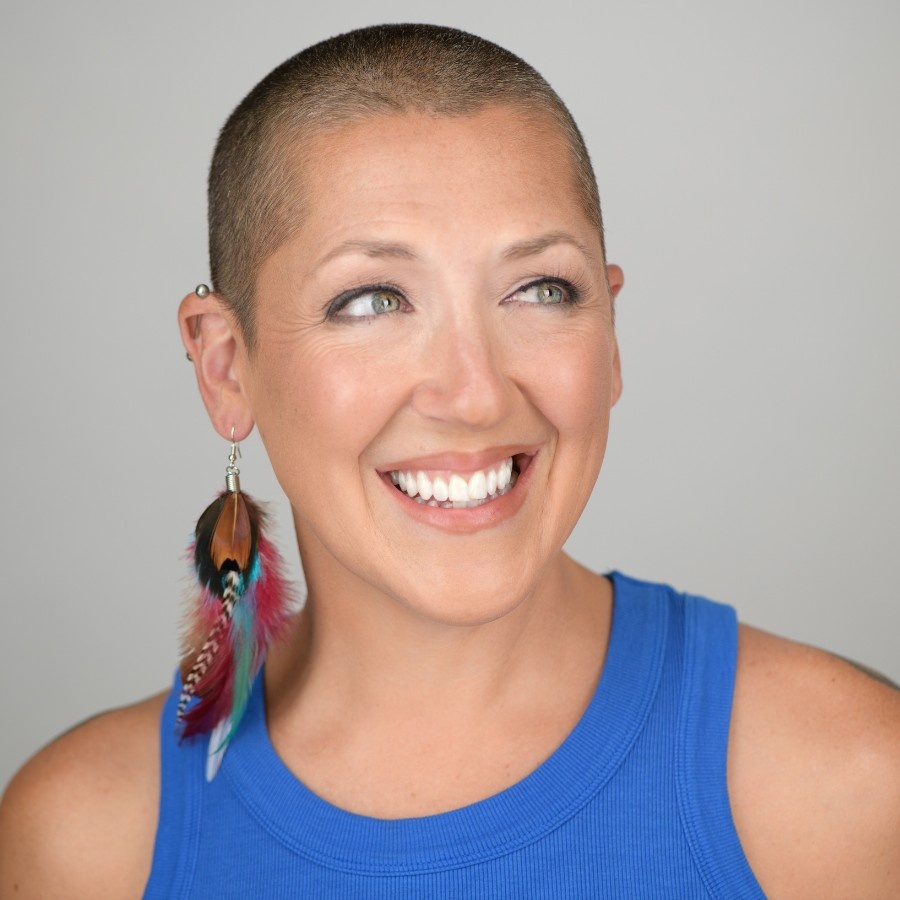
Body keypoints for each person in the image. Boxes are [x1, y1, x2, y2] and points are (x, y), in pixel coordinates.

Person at [1, 23, 898, 899]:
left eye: (541, 290)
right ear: (226, 367)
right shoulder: (86, 843)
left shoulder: (849, 782)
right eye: (371, 300)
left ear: (611, 331)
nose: (476, 395)